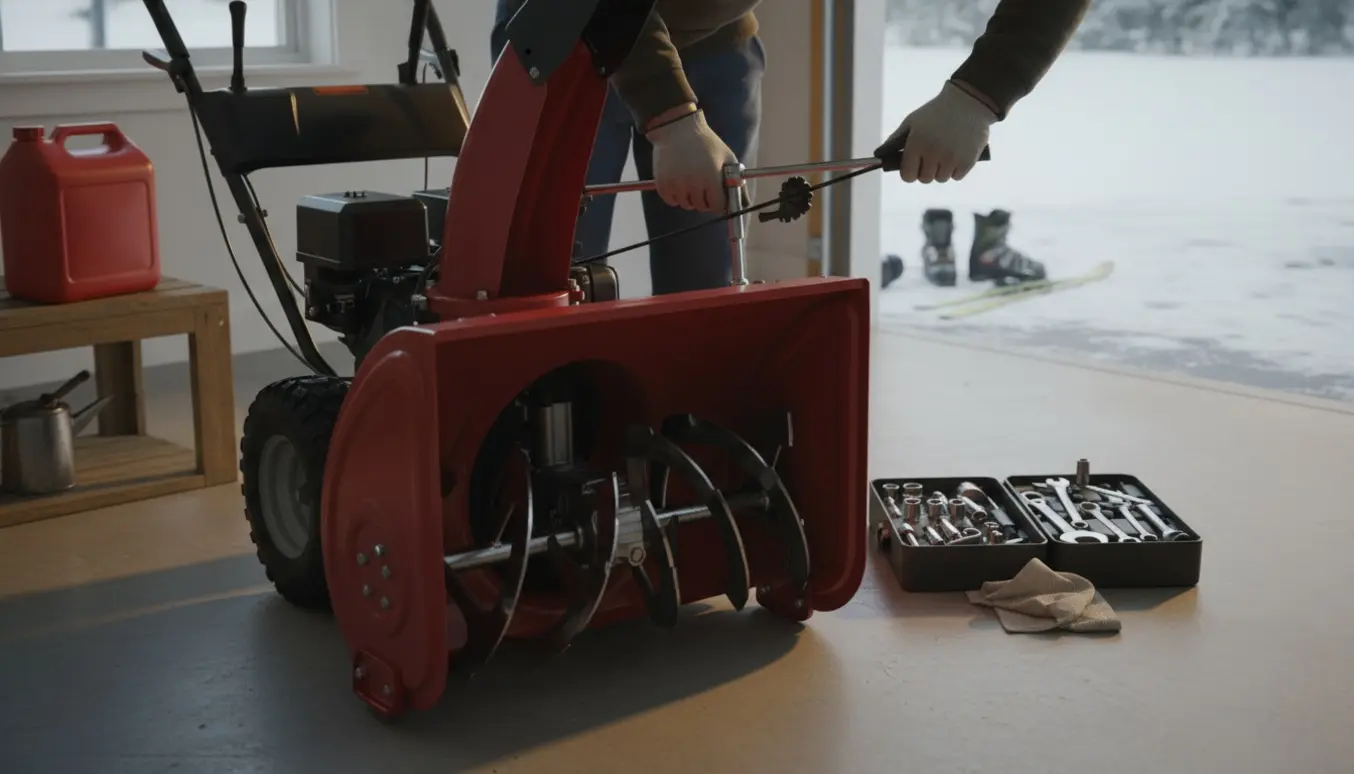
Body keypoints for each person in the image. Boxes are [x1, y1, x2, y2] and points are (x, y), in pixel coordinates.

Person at [490, 0, 1090, 294]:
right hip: (563, 33)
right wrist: (669, 116)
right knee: (546, 290)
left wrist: (978, 96)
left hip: (715, 46)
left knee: (706, 299)